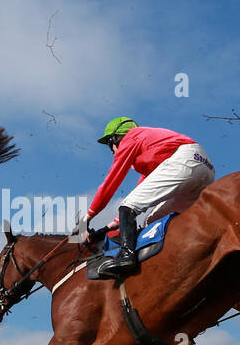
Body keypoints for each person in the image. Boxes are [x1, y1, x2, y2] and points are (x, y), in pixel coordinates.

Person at [86, 117, 215, 279]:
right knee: (153, 220)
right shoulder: (150, 146)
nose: (111, 150)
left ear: (116, 138)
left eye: (109, 144)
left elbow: (111, 182)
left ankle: (127, 257)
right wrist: (109, 227)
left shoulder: (130, 138)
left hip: (185, 161)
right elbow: (142, 193)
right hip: (205, 168)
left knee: (127, 206)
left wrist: (88, 217)